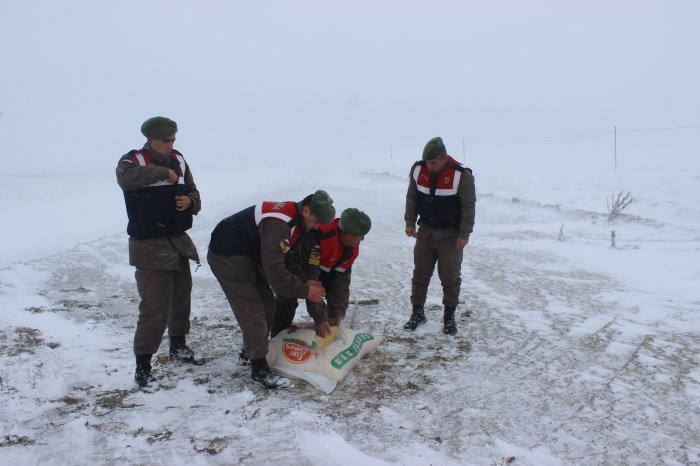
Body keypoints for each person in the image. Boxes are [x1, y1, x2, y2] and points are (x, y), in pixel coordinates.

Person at [207, 191, 335, 388]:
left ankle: (249, 352)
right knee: (253, 311)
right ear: (307, 209)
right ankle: (259, 369)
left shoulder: (298, 222)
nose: (317, 227)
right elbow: (276, 274)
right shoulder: (280, 225)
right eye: (316, 221)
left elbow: (286, 261)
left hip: (249, 256)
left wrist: (306, 283)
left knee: (268, 305)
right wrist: (305, 290)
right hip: (227, 255)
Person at [116, 116, 204, 393]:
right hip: (149, 246)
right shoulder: (133, 161)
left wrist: (189, 201)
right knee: (154, 306)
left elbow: (195, 194)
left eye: (174, 139)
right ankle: (143, 367)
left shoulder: (178, 159)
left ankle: (178, 345)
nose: (171, 144)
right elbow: (126, 180)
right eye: (166, 140)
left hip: (177, 241)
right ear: (151, 139)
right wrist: (159, 173)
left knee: (181, 298)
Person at [403, 137, 476, 335]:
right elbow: (412, 197)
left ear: (444, 159)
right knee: (420, 275)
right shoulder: (418, 170)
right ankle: (417, 313)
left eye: (434, 163)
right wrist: (409, 222)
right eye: (427, 162)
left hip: (451, 235)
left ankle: (449, 318)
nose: (430, 166)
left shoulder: (462, 175)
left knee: (450, 278)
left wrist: (464, 233)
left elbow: (468, 207)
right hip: (425, 232)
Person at [271, 208, 372, 338]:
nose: (363, 239)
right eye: (361, 236)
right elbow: (311, 281)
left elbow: (341, 282)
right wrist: (320, 318)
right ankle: (277, 335)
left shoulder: (350, 248)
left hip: (322, 270)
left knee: (334, 313)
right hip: (296, 268)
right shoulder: (318, 240)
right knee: (288, 299)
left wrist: (337, 313)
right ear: (348, 235)